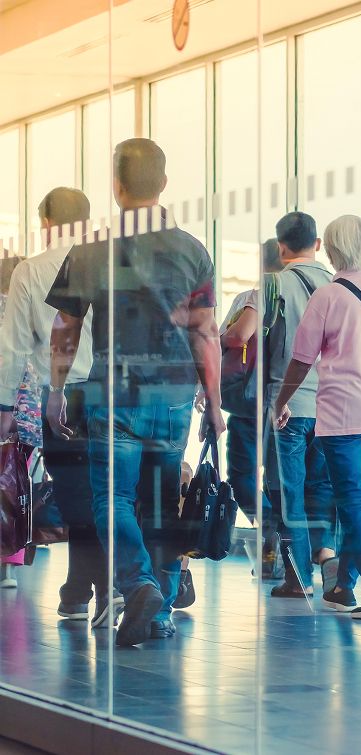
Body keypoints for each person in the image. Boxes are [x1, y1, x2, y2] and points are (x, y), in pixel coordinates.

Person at [46, 138, 224, 647]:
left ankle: (138, 583)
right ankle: (160, 610)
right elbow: (205, 332)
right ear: (164, 185)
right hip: (172, 395)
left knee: (113, 498)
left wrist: (57, 389)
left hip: (114, 391)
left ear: (117, 185)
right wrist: (213, 405)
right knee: (163, 504)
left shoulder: (93, 248)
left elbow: (66, 326)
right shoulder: (193, 250)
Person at [273, 214, 361, 619]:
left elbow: (301, 361)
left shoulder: (328, 298)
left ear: (331, 250)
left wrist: (281, 401)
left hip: (343, 414)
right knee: (358, 503)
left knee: (352, 500)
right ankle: (342, 587)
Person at [0, 188, 122, 625]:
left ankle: (95, 588)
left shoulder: (31, 271)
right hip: (113, 392)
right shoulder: (111, 263)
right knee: (109, 493)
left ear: (46, 223)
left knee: (75, 496)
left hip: (61, 394)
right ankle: (79, 589)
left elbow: (13, 347)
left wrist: (4, 405)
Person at [225, 213, 335, 598]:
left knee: (286, 492)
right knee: (319, 487)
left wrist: (220, 336)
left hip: (284, 404)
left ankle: (297, 576)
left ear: (281, 246)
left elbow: (241, 334)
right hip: (331, 405)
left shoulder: (272, 286)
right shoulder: (337, 284)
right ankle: (326, 554)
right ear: (317, 244)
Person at [219, 237, 284, 579]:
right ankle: (284, 549)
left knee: (242, 478)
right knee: (283, 481)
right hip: (290, 402)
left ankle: (269, 526)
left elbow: (238, 337)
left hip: (249, 402)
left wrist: (217, 337)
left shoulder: (254, 298)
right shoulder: (305, 298)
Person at [0, 254, 39, 589]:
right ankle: (9, 562)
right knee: (15, 486)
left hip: (5, 410)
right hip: (29, 416)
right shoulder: (32, 314)